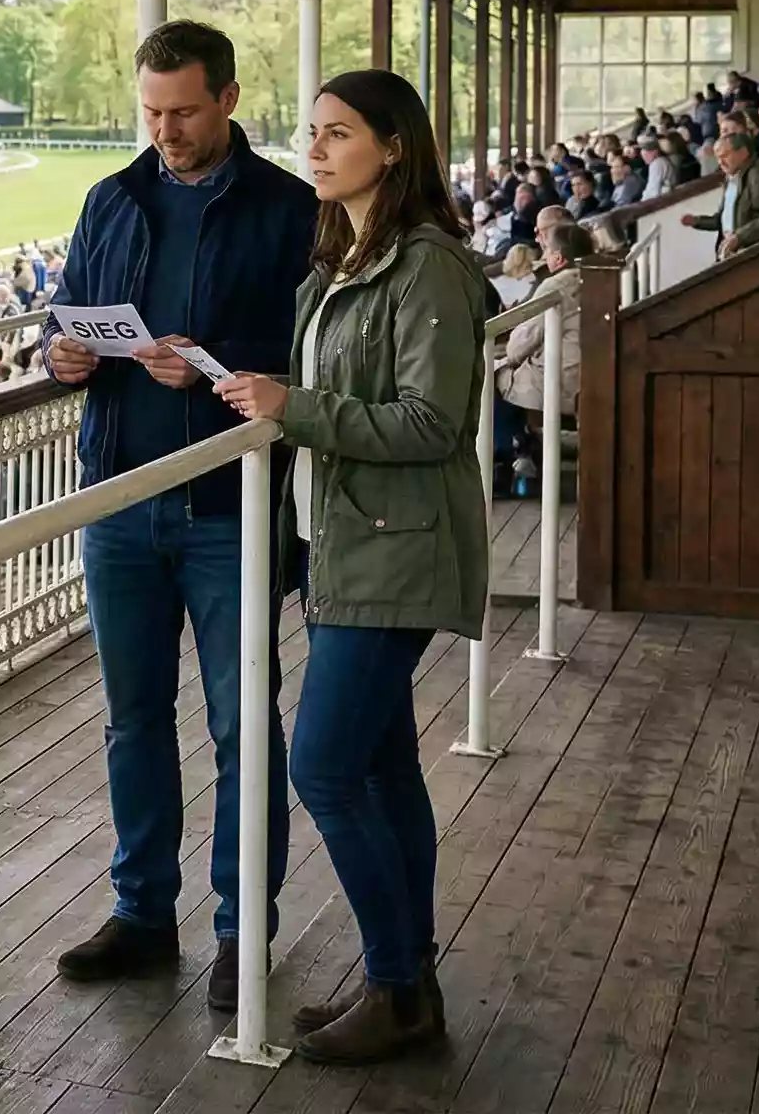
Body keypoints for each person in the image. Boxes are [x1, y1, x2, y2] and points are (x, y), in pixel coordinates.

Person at [216, 67, 494, 1066]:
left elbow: (429, 423)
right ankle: (404, 980)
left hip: (392, 547)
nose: (316, 149)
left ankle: (395, 988)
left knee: (324, 767)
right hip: (344, 540)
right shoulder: (343, 257)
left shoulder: (425, 267)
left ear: (393, 147)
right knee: (378, 770)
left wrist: (292, 407)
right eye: (312, 132)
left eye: (338, 134)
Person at [39, 19, 313, 1011]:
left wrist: (218, 357)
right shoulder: (108, 199)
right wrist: (61, 355)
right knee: (130, 721)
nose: (166, 130)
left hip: (226, 503)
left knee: (244, 726)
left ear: (229, 100)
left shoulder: (289, 207)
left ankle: (243, 928)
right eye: (151, 112)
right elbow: (68, 314)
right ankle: (143, 913)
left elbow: (312, 351)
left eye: (184, 111)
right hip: (117, 499)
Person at [494, 224, 595, 486]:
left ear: (559, 257)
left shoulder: (556, 285)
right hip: (589, 373)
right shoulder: (596, 277)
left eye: (547, 249)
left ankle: (506, 460)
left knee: (489, 377)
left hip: (559, 381)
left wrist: (506, 355)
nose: (544, 254)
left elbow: (518, 347)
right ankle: (525, 445)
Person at [679, 133, 759, 260]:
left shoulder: (758, 177)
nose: (720, 162)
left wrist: (739, 237)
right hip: (735, 256)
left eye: (725, 155)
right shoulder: (730, 181)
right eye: (718, 158)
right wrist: (696, 221)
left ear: (743, 153)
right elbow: (722, 221)